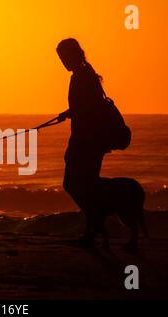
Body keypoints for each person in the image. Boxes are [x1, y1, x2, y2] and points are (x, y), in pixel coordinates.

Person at [55, 38, 107, 246]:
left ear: (75, 54)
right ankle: (93, 228)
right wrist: (69, 113)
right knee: (84, 184)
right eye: (60, 58)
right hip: (89, 139)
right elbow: (87, 105)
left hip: (87, 140)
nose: (63, 62)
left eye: (65, 57)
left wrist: (71, 112)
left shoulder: (82, 76)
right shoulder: (84, 74)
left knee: (74, 184)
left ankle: (95, 225)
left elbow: (88, 108)